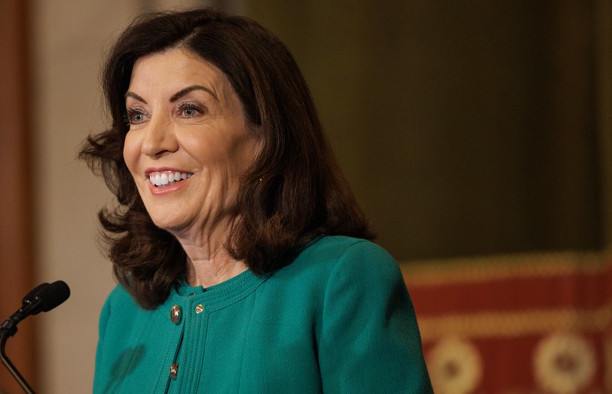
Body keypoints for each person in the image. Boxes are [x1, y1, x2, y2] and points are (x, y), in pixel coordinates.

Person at [80, 8, 433, 393]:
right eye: (137, 114)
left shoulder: (342, 279)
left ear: (265, 135)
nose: (152, 142)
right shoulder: (125, 309)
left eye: (189, 109)